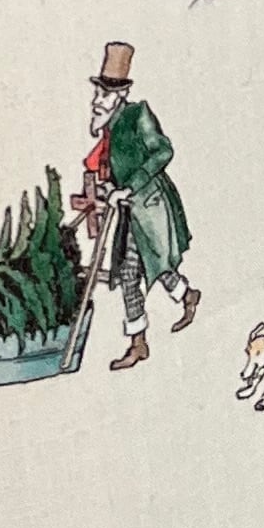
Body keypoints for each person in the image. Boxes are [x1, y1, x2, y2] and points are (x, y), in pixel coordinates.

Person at [75, 42, 199, 372]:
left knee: (143, 268)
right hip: (131, 210)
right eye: (98, 91)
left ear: (121, 94)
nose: (97, 99)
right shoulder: (109, 127)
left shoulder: (137, 115)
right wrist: (109, 188)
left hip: (153, 206)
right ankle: (173, 309)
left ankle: (142, 340)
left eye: (104, 93)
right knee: (141, 270)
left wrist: (130, 186)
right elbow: (110, 166)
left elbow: (163, 151)